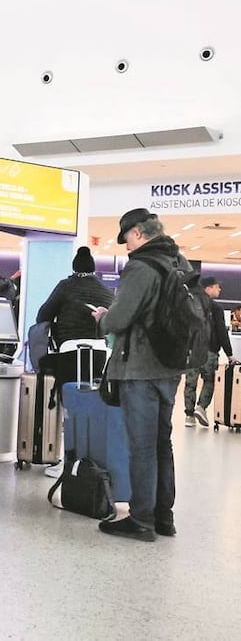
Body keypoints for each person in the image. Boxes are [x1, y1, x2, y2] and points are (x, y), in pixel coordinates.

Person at [92, 208, 188, 541]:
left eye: (127, 240)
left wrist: (103, 316)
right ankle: (164, 517)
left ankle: (142, 519)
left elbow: (118, 320)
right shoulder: (179, 262)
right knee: (163, 444)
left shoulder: (140, 267)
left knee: (142, 447)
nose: (127, 247)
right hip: (171, 368)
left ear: (137, 232)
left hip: (141, 369)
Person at [184, 276, 238, 427]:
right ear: (207, 289)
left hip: (193, 350)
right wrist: (229, 353)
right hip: (209, 350)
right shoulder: (216, 308)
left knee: (190, 382)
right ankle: (201, 407)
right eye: (216, 287)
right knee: (209, 380)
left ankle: (189, 416)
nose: (219, 289)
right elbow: (221, 331)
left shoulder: (191, 304)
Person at [36, 246, 115, 347]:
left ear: (74, 268)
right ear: (93, 269)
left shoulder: (65, 286)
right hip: (100, 349)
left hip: (69, 347)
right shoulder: (108, 291)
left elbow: (42, 317)